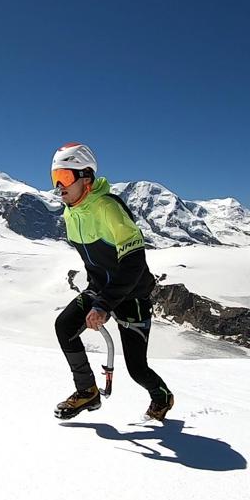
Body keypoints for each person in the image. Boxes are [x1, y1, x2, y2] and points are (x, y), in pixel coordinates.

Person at [50, 142, 174, 421]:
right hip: (100, 290)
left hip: (131, 295)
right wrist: (99, 297)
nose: (59, 186)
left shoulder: (109, 208)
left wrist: (105, 305)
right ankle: (88, 392)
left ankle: (162, 395)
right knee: (64, 326)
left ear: (87, 178)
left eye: (65, 177)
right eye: (54, 177)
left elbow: (134, 262)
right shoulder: (70, 213)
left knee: (137, 369)